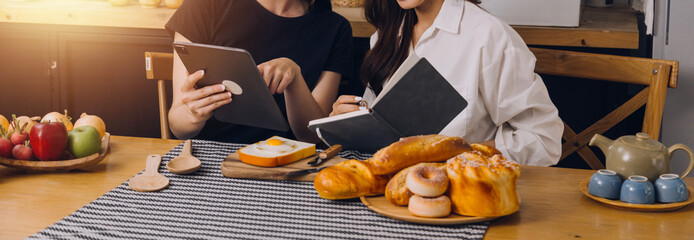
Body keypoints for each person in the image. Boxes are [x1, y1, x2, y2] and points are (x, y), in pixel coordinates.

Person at [330, 0, 563, 166]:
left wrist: (457, 154)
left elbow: (543, 141)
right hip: (392, 193)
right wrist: (346, 124)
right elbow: (376, 129)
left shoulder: (488, 36)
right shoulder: (385, 36)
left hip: (462, 196)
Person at [165, 0, 353, 143]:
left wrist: (294, 77)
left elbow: (312, 137)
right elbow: (178, 125)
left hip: (288, 166)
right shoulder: (204, 6)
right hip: (210, 161)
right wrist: (192, 114)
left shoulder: (335, 28)